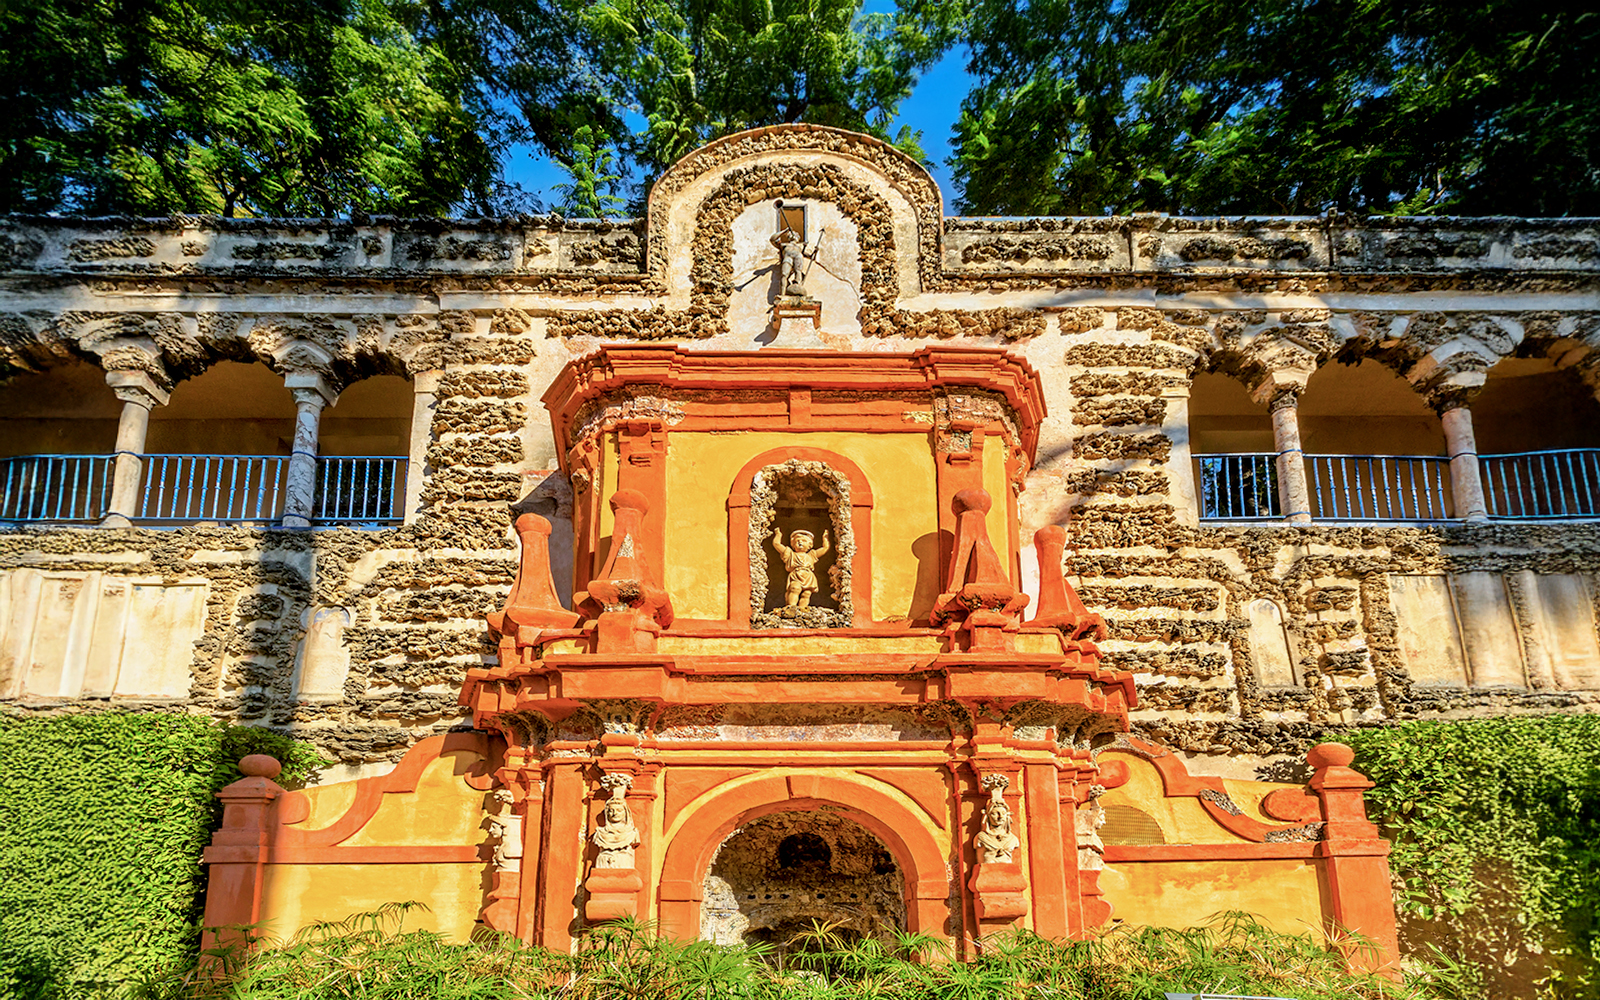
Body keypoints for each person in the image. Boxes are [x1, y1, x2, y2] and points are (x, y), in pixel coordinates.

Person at [771, 527, 830, 607]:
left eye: (804, 541)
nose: (800, 543)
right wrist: (778, 534)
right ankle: (791, 607)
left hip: (808, 576)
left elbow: (824, 548)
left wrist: (825, 538)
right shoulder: (790, 554)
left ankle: (802, 610)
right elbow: (777, 544)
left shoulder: (812, 555)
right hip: (796, 574)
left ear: (810, 545)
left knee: (806, 594)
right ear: (793, 545)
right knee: (794, 588)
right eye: (797, 541)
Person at [591, 795, 639, 868]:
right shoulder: (600, 833)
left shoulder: (632, 833)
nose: (615, 813)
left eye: (619, 810)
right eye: (611, 810)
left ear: (626, 813)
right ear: (607, 813)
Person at [770, 225, 818, 296]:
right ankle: (782, 295)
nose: (794, 235)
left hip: (798, 257)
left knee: (798, 273)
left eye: (796, 235)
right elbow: (772, 239)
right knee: (784, 275)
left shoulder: (799, 248)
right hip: (787, 258)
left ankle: (797, 291)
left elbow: (812, 257)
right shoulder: (784, 245)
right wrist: (784, 231)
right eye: (793, 234)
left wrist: (815, 252)